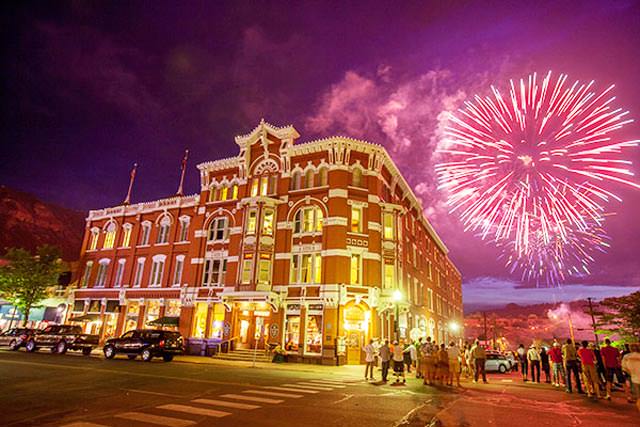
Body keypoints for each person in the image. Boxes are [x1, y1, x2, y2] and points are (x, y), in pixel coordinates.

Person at [621, 343, 640, 412]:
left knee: (638, 397)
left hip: (634, 379)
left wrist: (631, 373)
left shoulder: (626, 357)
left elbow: (624, 368)